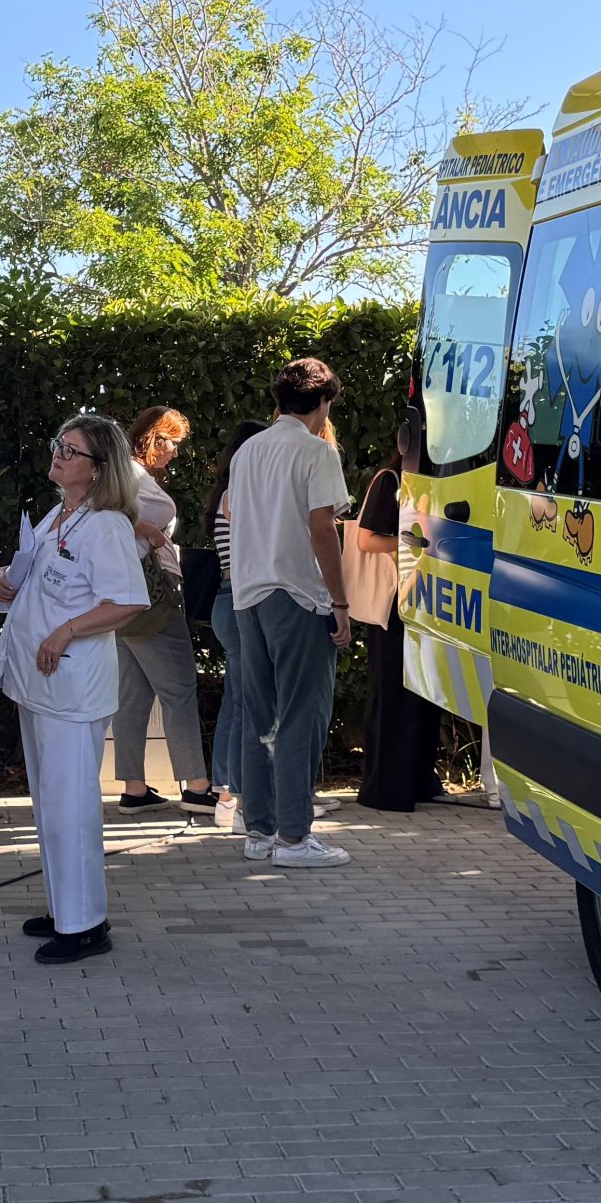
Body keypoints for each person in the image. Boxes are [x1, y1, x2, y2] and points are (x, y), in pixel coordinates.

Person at [0, 413, 150, 966]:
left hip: (73, 686)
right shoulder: (60, 513)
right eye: (59, 443)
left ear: (99, 468)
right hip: (40, 684)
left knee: (72, 807)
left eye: (72, 450)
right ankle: (65, 909)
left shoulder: (107, 525)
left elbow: (127, 601)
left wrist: (66, 630)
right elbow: (42, 581)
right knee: (50, 804)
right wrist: (6, 583)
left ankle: (85, 927)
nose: (59, 453)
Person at [228, 358, 355, 869]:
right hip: (298, 595)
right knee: (302, 717)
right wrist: (341, 603)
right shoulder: (316, 451)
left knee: (260, 716)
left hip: (248, 595)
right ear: (323, 403)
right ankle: (295, 839)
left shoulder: (247, 450)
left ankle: (259, 832)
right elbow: (323, 529)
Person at [114, 406, 214, 815]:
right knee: (179, 690)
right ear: (153, 438)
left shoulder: (120, 474)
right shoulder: (130, 477)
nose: (175, 451)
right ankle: (196, 787)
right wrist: (147, 530)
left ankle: (133, 788)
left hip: (123, 599)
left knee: (132, 694)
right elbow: (107, 514)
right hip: (153, 598)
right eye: (172, 442)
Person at [352, 415, 445, 812]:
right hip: (393, 602)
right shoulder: (389, 481)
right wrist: (411, 545)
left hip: (425, 598)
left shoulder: (430, 486)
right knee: (393, 692)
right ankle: (386, 788)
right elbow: (365, 540)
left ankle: (416, 780)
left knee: (424, 693)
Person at [201, 419, 268, 828]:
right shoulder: (241, 495)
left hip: (228, 601)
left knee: (236, 699)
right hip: (240, 600)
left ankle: (226, 794)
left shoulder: (227, 493)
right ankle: (234, 800)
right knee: (245, 702)